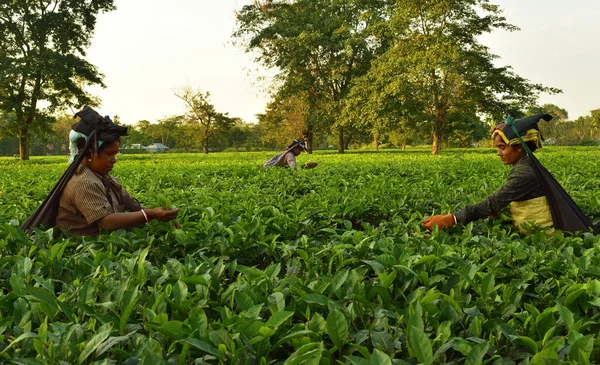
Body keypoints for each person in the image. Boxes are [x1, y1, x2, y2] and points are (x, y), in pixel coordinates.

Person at [56, 111, 179, 236]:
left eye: (115, 154)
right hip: (82, 249)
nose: (114, 159)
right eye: (109, 154)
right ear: (88, 154)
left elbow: (133, 206)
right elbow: (106, 222)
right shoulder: (83, 183)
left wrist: (161, 217)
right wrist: (150, 215)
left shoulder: (105, 179)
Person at [422, 121, 553, 234]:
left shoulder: (524, 173)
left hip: (541, 235)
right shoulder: (527, 164)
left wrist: (451, 218)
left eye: (502, 147)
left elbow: (494, 202)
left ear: (518, 147)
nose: (499, 153)